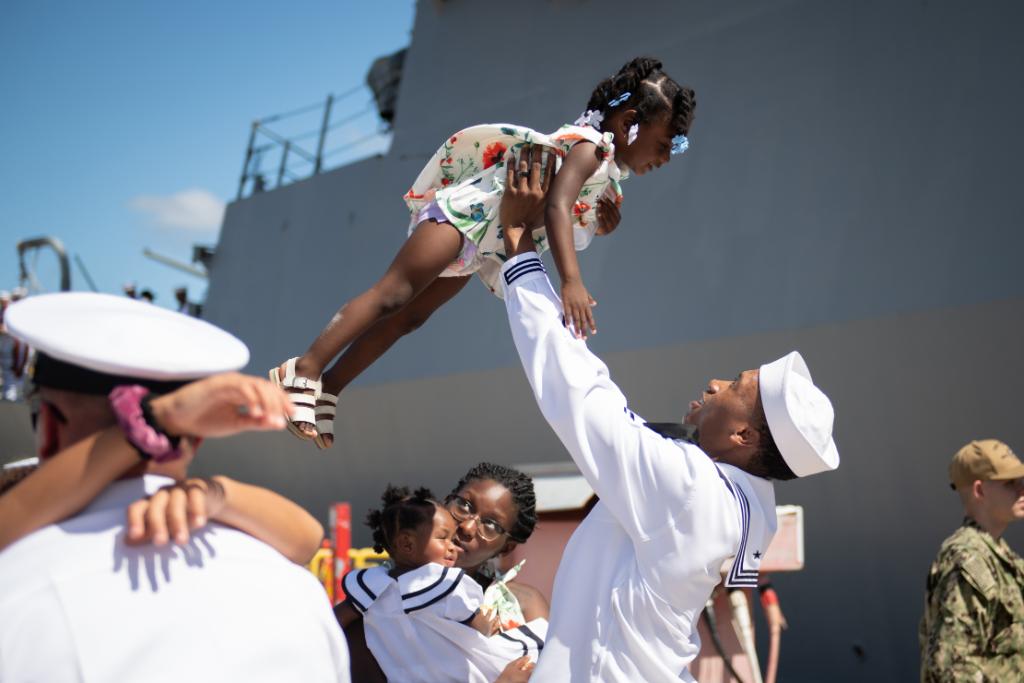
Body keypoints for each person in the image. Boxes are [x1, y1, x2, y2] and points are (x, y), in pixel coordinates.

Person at [493, 155, 840, 682]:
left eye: (736, 387)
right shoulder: (746, 502)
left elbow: (580, 393)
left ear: (745, 434)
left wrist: (519, 243)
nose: (716, 384)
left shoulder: (691, 487)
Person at [271, 56, 697, 449]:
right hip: (465, 217)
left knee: (409, 318)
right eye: (664, 145)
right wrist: (571, 281)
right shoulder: (590, 148)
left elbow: (571, 214)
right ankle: (303, 370)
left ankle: (330, 387)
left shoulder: (605, 172)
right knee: (393, 294)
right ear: (628, 125)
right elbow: (555, 207)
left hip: (481, 243)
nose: (664, 158)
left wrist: (602, 222)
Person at [0, 292, 350, 683]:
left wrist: (154, 422)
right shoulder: (299, 595)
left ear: (46, 429)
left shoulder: (17, 591)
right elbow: (306, 540)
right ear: (197, 438)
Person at [340, 462, 548, 683]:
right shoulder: (377, 600)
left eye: (490, 524)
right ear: (447, 501)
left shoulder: (525, 605)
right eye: (465, 505)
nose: (467, 528)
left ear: (506, 547)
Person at [919, 439, 1024, 681]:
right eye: (1010, 483)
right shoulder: (968, 559)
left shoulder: (1001, 556)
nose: (1022, 489)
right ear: (979, 490)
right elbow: (952, 666)